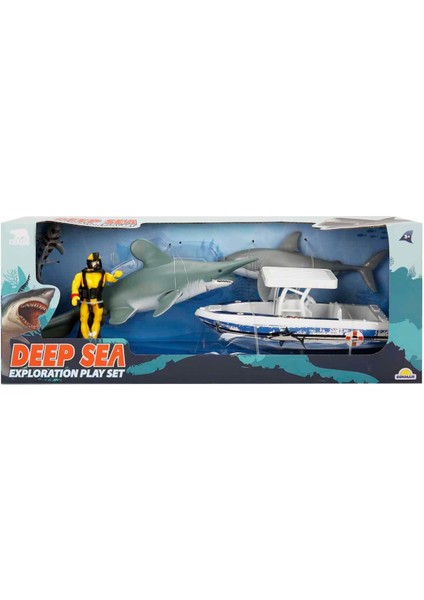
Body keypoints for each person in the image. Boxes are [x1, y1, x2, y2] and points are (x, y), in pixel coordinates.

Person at [71, 252, 123, 339]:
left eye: (98, 262)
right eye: (94, 262)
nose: (96, 264)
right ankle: (85, 337)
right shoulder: (81, 275)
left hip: (98, 302)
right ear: (89, 263)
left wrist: (116, 276)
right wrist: (74, 296)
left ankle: (94, 337)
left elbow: (112, 279)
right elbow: (75, 285)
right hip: (85, 302)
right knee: (83, 320)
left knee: (97, 319)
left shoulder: (103, 274)